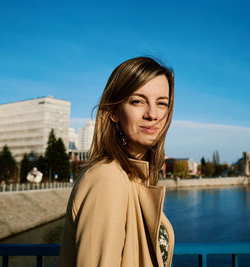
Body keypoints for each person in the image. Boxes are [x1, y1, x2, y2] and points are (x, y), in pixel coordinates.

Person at [59, 56, 175, 267]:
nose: (153, 114)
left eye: (162, 103)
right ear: (114, 112)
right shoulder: (106, 178)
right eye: (138, 101)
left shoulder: (133, 176)